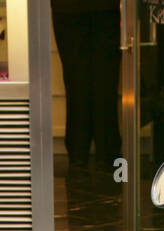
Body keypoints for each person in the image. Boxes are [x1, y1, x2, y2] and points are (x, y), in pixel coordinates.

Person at [51, 0, 122, 171]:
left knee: (76, 80)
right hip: (105, 8)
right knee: (105, 80)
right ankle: (106, 151)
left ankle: (79, 152)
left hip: (68, 9)